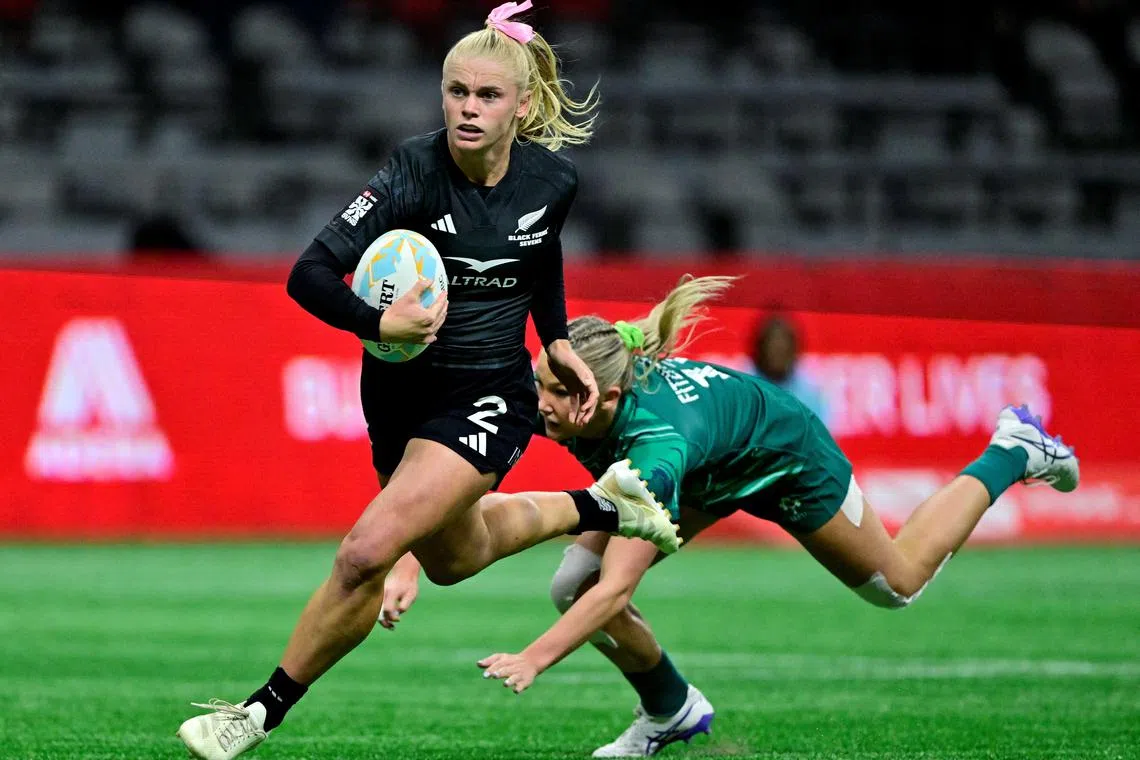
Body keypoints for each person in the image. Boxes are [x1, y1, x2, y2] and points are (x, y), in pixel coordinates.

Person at [175, 4, 678, 758]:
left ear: (524, 105)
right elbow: (307, 274)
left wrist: (557, 338)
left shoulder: (554, 180)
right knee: (452, 558)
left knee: (363, 553)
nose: (467, 110)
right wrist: (376, 326)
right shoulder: (413, 171)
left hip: (489, 397)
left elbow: (539, 256)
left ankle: (254, 714)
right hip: (397, 395)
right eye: (455, 92)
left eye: (487, 96)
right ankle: (599, 503)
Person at [383, 274, 1080, 757]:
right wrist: (414, 552)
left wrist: (535, 658)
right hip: (708, 461)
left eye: (556, 394)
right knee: (568, 583)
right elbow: (468, 467)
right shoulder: (565, 393)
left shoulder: (651, 452)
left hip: (782, 455)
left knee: (895, 584)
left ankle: (1009, 451)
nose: (541, 403)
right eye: (541, 382)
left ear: (603, 398)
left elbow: (618, 590)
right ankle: (671, 711)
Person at [749, 313, 828, 426]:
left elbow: (820, 439)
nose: (778, 356)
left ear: (794, 352)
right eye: (773, 351)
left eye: (783, 351)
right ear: (760, 350)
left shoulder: (810, 396)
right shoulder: (745, 390)